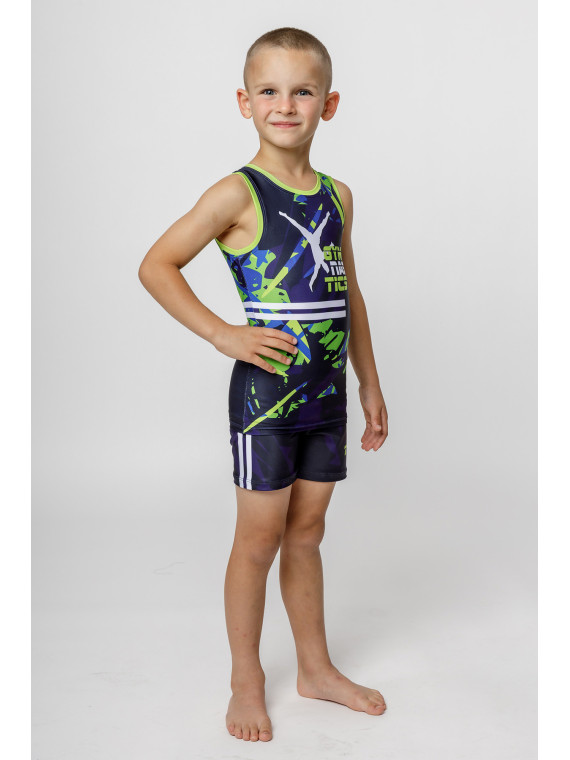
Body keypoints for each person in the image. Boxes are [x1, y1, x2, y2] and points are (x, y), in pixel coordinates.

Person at [138, 26, 389, 743]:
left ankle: (316, 668)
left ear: (328, 104)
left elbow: (349, 294)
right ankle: (245, 678)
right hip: (266, 399)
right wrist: (224, 334)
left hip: (327, 396)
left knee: (307, 532)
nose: (286, 105)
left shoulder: (338, 196)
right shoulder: (237, 193)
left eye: (302, 91)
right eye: (270, 91)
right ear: (244, 102)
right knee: (258, 540)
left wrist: (369, 383)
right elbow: (156, 264)